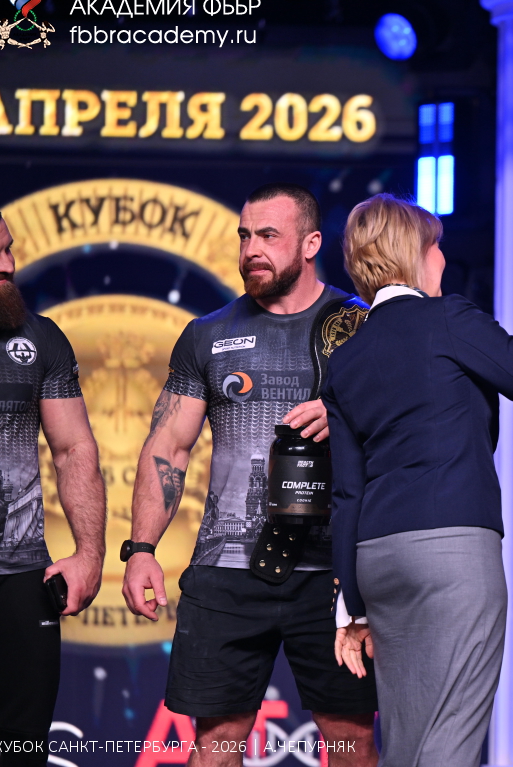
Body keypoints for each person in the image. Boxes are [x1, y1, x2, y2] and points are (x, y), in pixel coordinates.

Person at [121, 184, 378, 767]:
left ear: (311, 244)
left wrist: (345, 416)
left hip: (335, 576)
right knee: (215, 744)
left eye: (268, 235)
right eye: (244, 236)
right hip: (227, 574)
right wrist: (141, 549)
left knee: (352, 742)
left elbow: (406, 435)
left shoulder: (363, 327)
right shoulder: (207, 334)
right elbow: (169, 447)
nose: (251, 249)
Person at [326, 194, 513, 767]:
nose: (442, 258)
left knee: (406, 739)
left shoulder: (346, 359)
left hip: (377, 559)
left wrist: (352, 606)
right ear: (413, 253)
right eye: (435, 246)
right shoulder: (450, 318)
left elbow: (347, 493)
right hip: (452, 551)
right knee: (451, 739)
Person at [0, 198, 106, 766]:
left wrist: (89, 553)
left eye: (8, 249)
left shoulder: (42, 338)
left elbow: (73, 447)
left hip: (18, 579)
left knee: (20, 755)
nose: (7, 265)